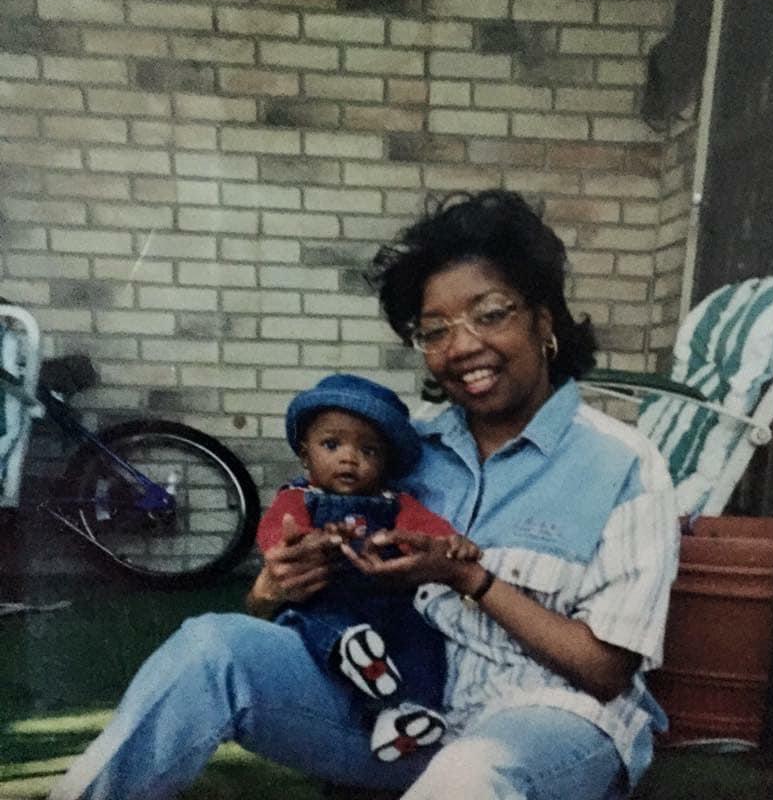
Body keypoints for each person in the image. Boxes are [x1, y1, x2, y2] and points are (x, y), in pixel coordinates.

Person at [50, 189, 679, 800]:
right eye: (434, 331)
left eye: (490, 313)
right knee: (210, 648)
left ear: (545, 320)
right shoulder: (406, 455)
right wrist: (273, 590)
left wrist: (471, 579)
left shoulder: (622, 464)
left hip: (555, 722)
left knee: (470, 773)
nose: (461, 346)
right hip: (404, 712)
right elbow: (307, 597)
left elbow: (605, 671)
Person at [259, 373, 480, 762]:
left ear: (387, 463)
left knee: (422, 637)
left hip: (389, 600)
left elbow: (432, 532)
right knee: (303, 617)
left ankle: (405, 714)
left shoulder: (397, 503)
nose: (349, 458)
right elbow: (278, 534)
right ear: (305, 454)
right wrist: (302, 544)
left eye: (370, 451)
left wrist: (454, 545)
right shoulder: (298, 498)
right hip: (325, 594)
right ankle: (347, 647)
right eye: (332, 444)